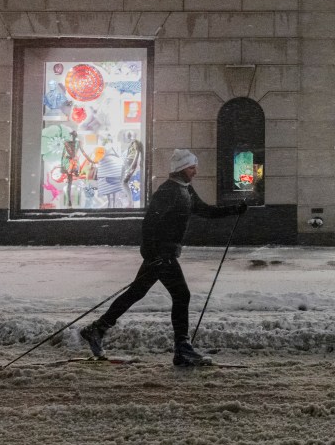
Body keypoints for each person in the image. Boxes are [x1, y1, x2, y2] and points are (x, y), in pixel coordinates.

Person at [80, 149, 246, 366]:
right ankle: (182, 349)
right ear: (180, 169)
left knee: (136, 292)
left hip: (162, 254)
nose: (195, 171)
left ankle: (97, 329)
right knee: (181, 295)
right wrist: (152, 254)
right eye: (191, 167)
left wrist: (234, 210)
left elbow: (205, 211)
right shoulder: (168, 192)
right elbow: (150, 223)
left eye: (194, 167)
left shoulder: (185, 190)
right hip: (162, 254)